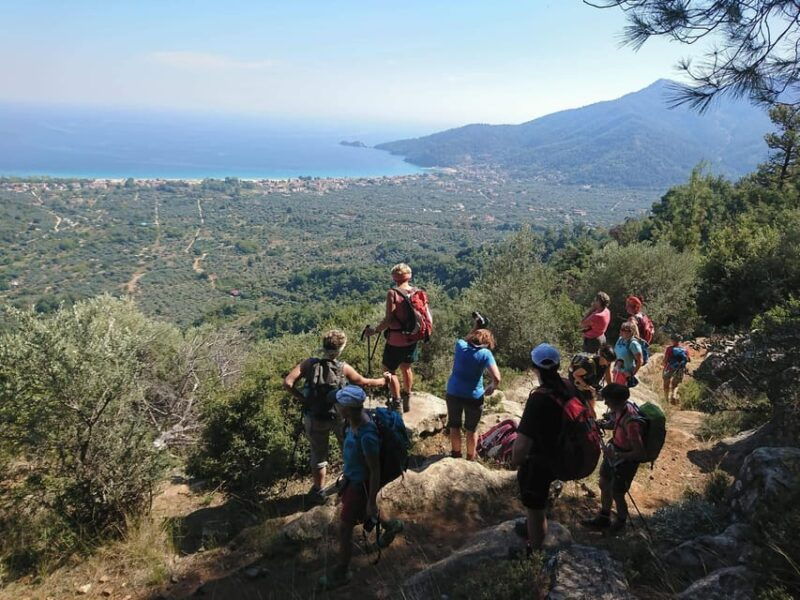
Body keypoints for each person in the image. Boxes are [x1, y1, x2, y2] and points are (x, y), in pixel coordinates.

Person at [284, 330, 398, 503]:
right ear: (340, 349)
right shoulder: (342, 367)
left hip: (314, 415)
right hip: (338, 415)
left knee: (318, 453)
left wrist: (303, 398)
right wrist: (384, 380)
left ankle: (318, 490)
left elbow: (288, 382)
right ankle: (350, 480)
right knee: (347, 446)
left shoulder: (309, 363)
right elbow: (364, 382)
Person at [318, 385, 404, 589]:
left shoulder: (367, 435)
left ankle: (342, 572)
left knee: (345, 529)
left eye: (338, 405)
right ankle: (392, 526)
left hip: (360, 484)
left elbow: (375, 470)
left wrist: (371, 499)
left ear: (346, 409)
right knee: (366, 510)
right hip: (352, 480)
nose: (336, 407)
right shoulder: (352, 421)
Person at [511, 343, 578, 553]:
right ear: (558, 366)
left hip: (541, 459)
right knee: (539, 502)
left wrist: (515, 460)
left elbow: (522, 443)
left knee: (535, 506)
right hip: (563, 454)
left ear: (534, 368)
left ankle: (535, 551)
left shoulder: (539, 398)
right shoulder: (569, 386)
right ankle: (533, 529)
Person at [582, 383, 645, 533]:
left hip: (625, 461)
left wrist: (617, 455)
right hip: (614, 453)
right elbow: (615, 424)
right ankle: (604, 517)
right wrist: (602, 424)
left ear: (616, 401)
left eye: (607, 400)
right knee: (604, 483)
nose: (605, 403)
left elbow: (639, 452)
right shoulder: (620, 410)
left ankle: (620, 523)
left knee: (618, 493)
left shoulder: (631, 421)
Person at [365, 263, 429, 412]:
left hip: (395, 339)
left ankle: (397, 402)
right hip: (412, 338)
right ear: (409, 276)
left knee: (389, 370)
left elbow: (388, 319)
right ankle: (407, 397)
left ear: (394, 278)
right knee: (406, 368)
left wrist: (374, 330)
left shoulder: (392, 293)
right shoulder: (417, 292)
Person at [445, 319, 502, 460]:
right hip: (474, 396)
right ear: (488, 342)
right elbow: (497, 377)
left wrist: (476, 327)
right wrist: (492, 387)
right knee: (471, 429)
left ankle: (456, 455)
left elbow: (467, 339)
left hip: (453, 392)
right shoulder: (485, 354)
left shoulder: (460, 345)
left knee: (454, 425)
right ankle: (470, 458)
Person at [568, 344, 616, 416]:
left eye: (611, 361)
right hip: (579, 384)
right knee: (588, 411)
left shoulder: (606, 363)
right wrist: (587, 386)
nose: (610, 363)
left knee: (591, 410)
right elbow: (575, 374)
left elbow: (608, 377)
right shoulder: (589, 364)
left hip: (590, 384)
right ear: (602, 357)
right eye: (608, 361)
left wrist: (612, 390)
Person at [613, 321, 643, 387]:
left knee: (620, 393)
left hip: (625, 374)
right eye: (621, 329)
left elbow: (640, 361)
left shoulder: (633, 344)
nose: (621, 331)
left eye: (624, 330)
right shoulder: (620, 339)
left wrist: (631, 374)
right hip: (617, 371)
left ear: (631, 332)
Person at [663, 333, 690, 403]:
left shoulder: (669, 349)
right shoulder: (685, 350)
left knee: (666, 383)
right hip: (680, 369)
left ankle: (666, 399)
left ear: (672, 340)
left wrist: (664, 366)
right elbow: (688, 360)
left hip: (669, 368)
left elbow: (665, 360)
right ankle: (674, 395)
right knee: (675, 384)